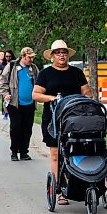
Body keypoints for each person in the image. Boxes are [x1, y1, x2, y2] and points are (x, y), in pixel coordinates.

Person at [33, 40, 92, 205]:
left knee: (77, 151)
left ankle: (80, 185)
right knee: (56, 154)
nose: (61, 55)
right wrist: (52, 98)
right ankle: (60, 190)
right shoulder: (45, 74)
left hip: (75, 120)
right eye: (58, 52)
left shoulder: (76, 72)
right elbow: (36, 95)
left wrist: (85, 101)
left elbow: (87, 93)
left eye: (64, 52)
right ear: (52, 55)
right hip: (53, 119)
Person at [0, 47, 39, 161]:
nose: (31, 59)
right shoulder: (12, 66)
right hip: (15, 103)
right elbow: (2, 81)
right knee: (16, 128)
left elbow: (39, 82)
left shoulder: (34, 68)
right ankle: (14, 152)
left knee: (27, 129)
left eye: (32, 57)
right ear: (23, 56)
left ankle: (24, 152)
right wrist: (5, 93)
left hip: (30, 103)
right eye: (29, 57)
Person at [0, 49, 15, 119]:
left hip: (13, 83)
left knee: (13, 98)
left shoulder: (14, 64)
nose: (8, 58)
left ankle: (11, 112)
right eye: (6, 56)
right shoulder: (2, 64)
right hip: (5, 84)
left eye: (10, 56)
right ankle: (5, 112)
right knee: (5, 98)